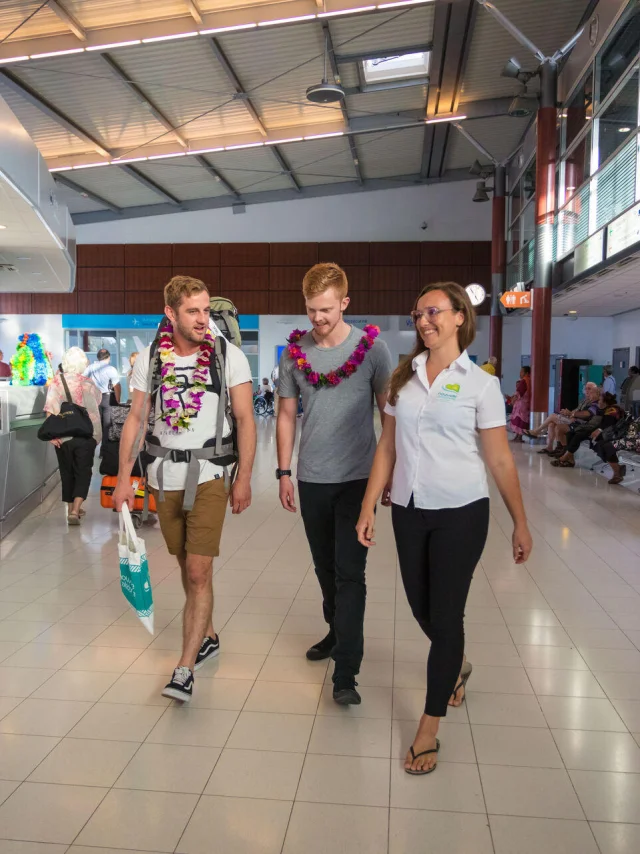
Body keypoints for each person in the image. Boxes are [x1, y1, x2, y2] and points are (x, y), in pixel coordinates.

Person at [356, 282, 532, 775]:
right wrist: (369, 506)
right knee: (421, 606)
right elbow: (386, 449)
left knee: (447, 614)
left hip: (462, 511)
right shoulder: (402, 379)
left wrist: (520, 522)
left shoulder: (480, 384)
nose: (423, 321)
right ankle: (456, 662)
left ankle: (428, 728)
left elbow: (498, 458)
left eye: (433, 312)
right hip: (410, 508)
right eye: (418, 314)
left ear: (460, 317)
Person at [113, 276, 256, 702]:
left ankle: (184, 667)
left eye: (206, 310)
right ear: (170, 314)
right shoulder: (152, 358)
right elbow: (136, 418)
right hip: (163, 477)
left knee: (197, 570)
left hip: (210, 475)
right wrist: (124, 478)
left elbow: (247, 419)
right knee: (184, 564)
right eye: (192, 311)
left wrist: (244, 476)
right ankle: (208, 634)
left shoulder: (228, 356)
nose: (202, 319)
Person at [276, 262, 392, 705]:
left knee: (350, 574)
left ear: (345, 302)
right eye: (310, 309)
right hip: (312, 479)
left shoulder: (373, 350)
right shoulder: (293, 354)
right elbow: (286, 415)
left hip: (358, 479)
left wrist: (390, 472)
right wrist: (284, 472)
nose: (317, 318)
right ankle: (335, 630)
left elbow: (388, 415)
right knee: (325, 569)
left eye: (326, 309)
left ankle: (347, 670)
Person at [44, 347, 102, 525]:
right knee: (83, 471)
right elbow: (96, 403)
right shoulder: (88, 383)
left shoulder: (56, 382)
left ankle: (70, 509)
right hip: (85, 434)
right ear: (83, 363)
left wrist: (53, 434)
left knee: (67, 471)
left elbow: (50, 408)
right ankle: (76, 509)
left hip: (63, 435)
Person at [524, 382, 599, 455]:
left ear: (595, 391)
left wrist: (571, 414)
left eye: (589, 389)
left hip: (579, 424)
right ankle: (550, 447)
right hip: (574, 420)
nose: (587, 391)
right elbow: (576, 410)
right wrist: (569, 413)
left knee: (553, 416)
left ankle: (536, 432)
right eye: (586, 389)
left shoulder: (594, 403)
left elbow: (587, 415)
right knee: (551, 424)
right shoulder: (585, 400)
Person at [550, 387, 603, 468]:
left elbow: (587, 414)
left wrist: (572, 414)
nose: (589, 394)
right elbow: (579, 411)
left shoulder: (596, 404)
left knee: (573, 433)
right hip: (581, 424)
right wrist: (571, 414)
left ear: (597, 395)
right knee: (568, 432)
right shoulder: (588, 402)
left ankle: (565, 457)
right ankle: (569, 458)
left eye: (591, 392)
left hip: (588, 428)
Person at [84, 348, 121, 446]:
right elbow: (116, 386)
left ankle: (92, 446)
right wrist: (117, 400)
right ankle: (103, 451)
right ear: (108, 357)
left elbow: (82, 380)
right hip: (106, 398)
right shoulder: (111, 369)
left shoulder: (90, 368)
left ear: (98, 357)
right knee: (107, 425)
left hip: (94, 398)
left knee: (94, 424)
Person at [589, 392, 626, 485]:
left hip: (617, 436)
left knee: (605, 445)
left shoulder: (612, 410)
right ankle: (617, 469)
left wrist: (598, 431)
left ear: (605, 402)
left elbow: (608, 424)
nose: (598, 402)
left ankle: (617, 472)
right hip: (612, 435)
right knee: (600, 444)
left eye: (600, 400)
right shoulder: (609, 409)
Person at [510, 366, 531, 441]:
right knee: (521, 420)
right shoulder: (529, 380)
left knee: (519, 420)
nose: (520, 373)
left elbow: (519, 392)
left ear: (526, 373)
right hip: (525, 404)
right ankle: (518, 436)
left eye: (522, 371)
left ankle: (519, 437)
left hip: (522, 404)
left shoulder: (524, 381)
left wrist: (513, 399)